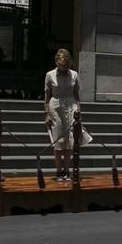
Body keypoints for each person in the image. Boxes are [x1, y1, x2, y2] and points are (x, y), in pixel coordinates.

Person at [44, 49, 81, 181]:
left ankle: (67, 170)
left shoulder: (74, 75)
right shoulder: (50, 75)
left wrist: (78, 109)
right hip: (56, 106)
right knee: (58, 141)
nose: (64, 69)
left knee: (70, 140)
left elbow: (77, 93)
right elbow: (47, 96)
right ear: (56, 63)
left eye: (66, 66)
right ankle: (59, 170)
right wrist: (47, 113)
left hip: (71, 105)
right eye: (61, 66)